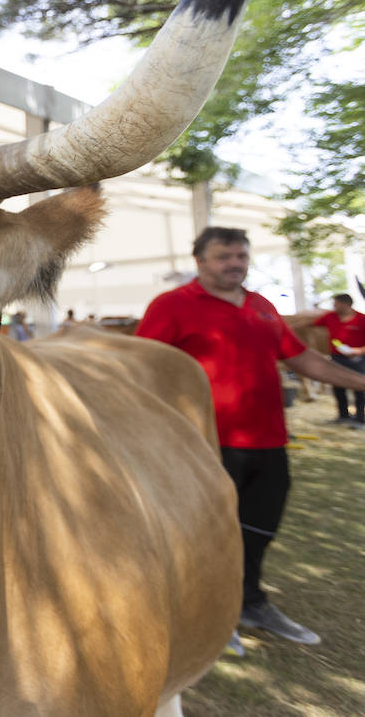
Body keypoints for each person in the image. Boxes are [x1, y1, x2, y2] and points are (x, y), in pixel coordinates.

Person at [135, 227, 365, 647]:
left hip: (269, 440)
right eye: (224, 256)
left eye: (241, 256)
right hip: (204, 443)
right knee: (205, 532)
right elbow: (139, 368)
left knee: (260, 526)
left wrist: (360, 383)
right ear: (200, 261)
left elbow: (301, 358)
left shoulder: (261, 306)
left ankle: (250, 601)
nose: (235, 264)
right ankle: (205, 615)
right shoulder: (172, 306)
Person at [312, 293, 365, 427]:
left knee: (359, 388)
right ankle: (343, 415)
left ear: (345, 304)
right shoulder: (330, 317)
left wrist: (358, 351)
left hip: (358, 359)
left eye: (335, 304)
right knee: (338, 387)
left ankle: (360, 419)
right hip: (336, 358)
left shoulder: (362, 319)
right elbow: (312, 323)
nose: (333, 306)